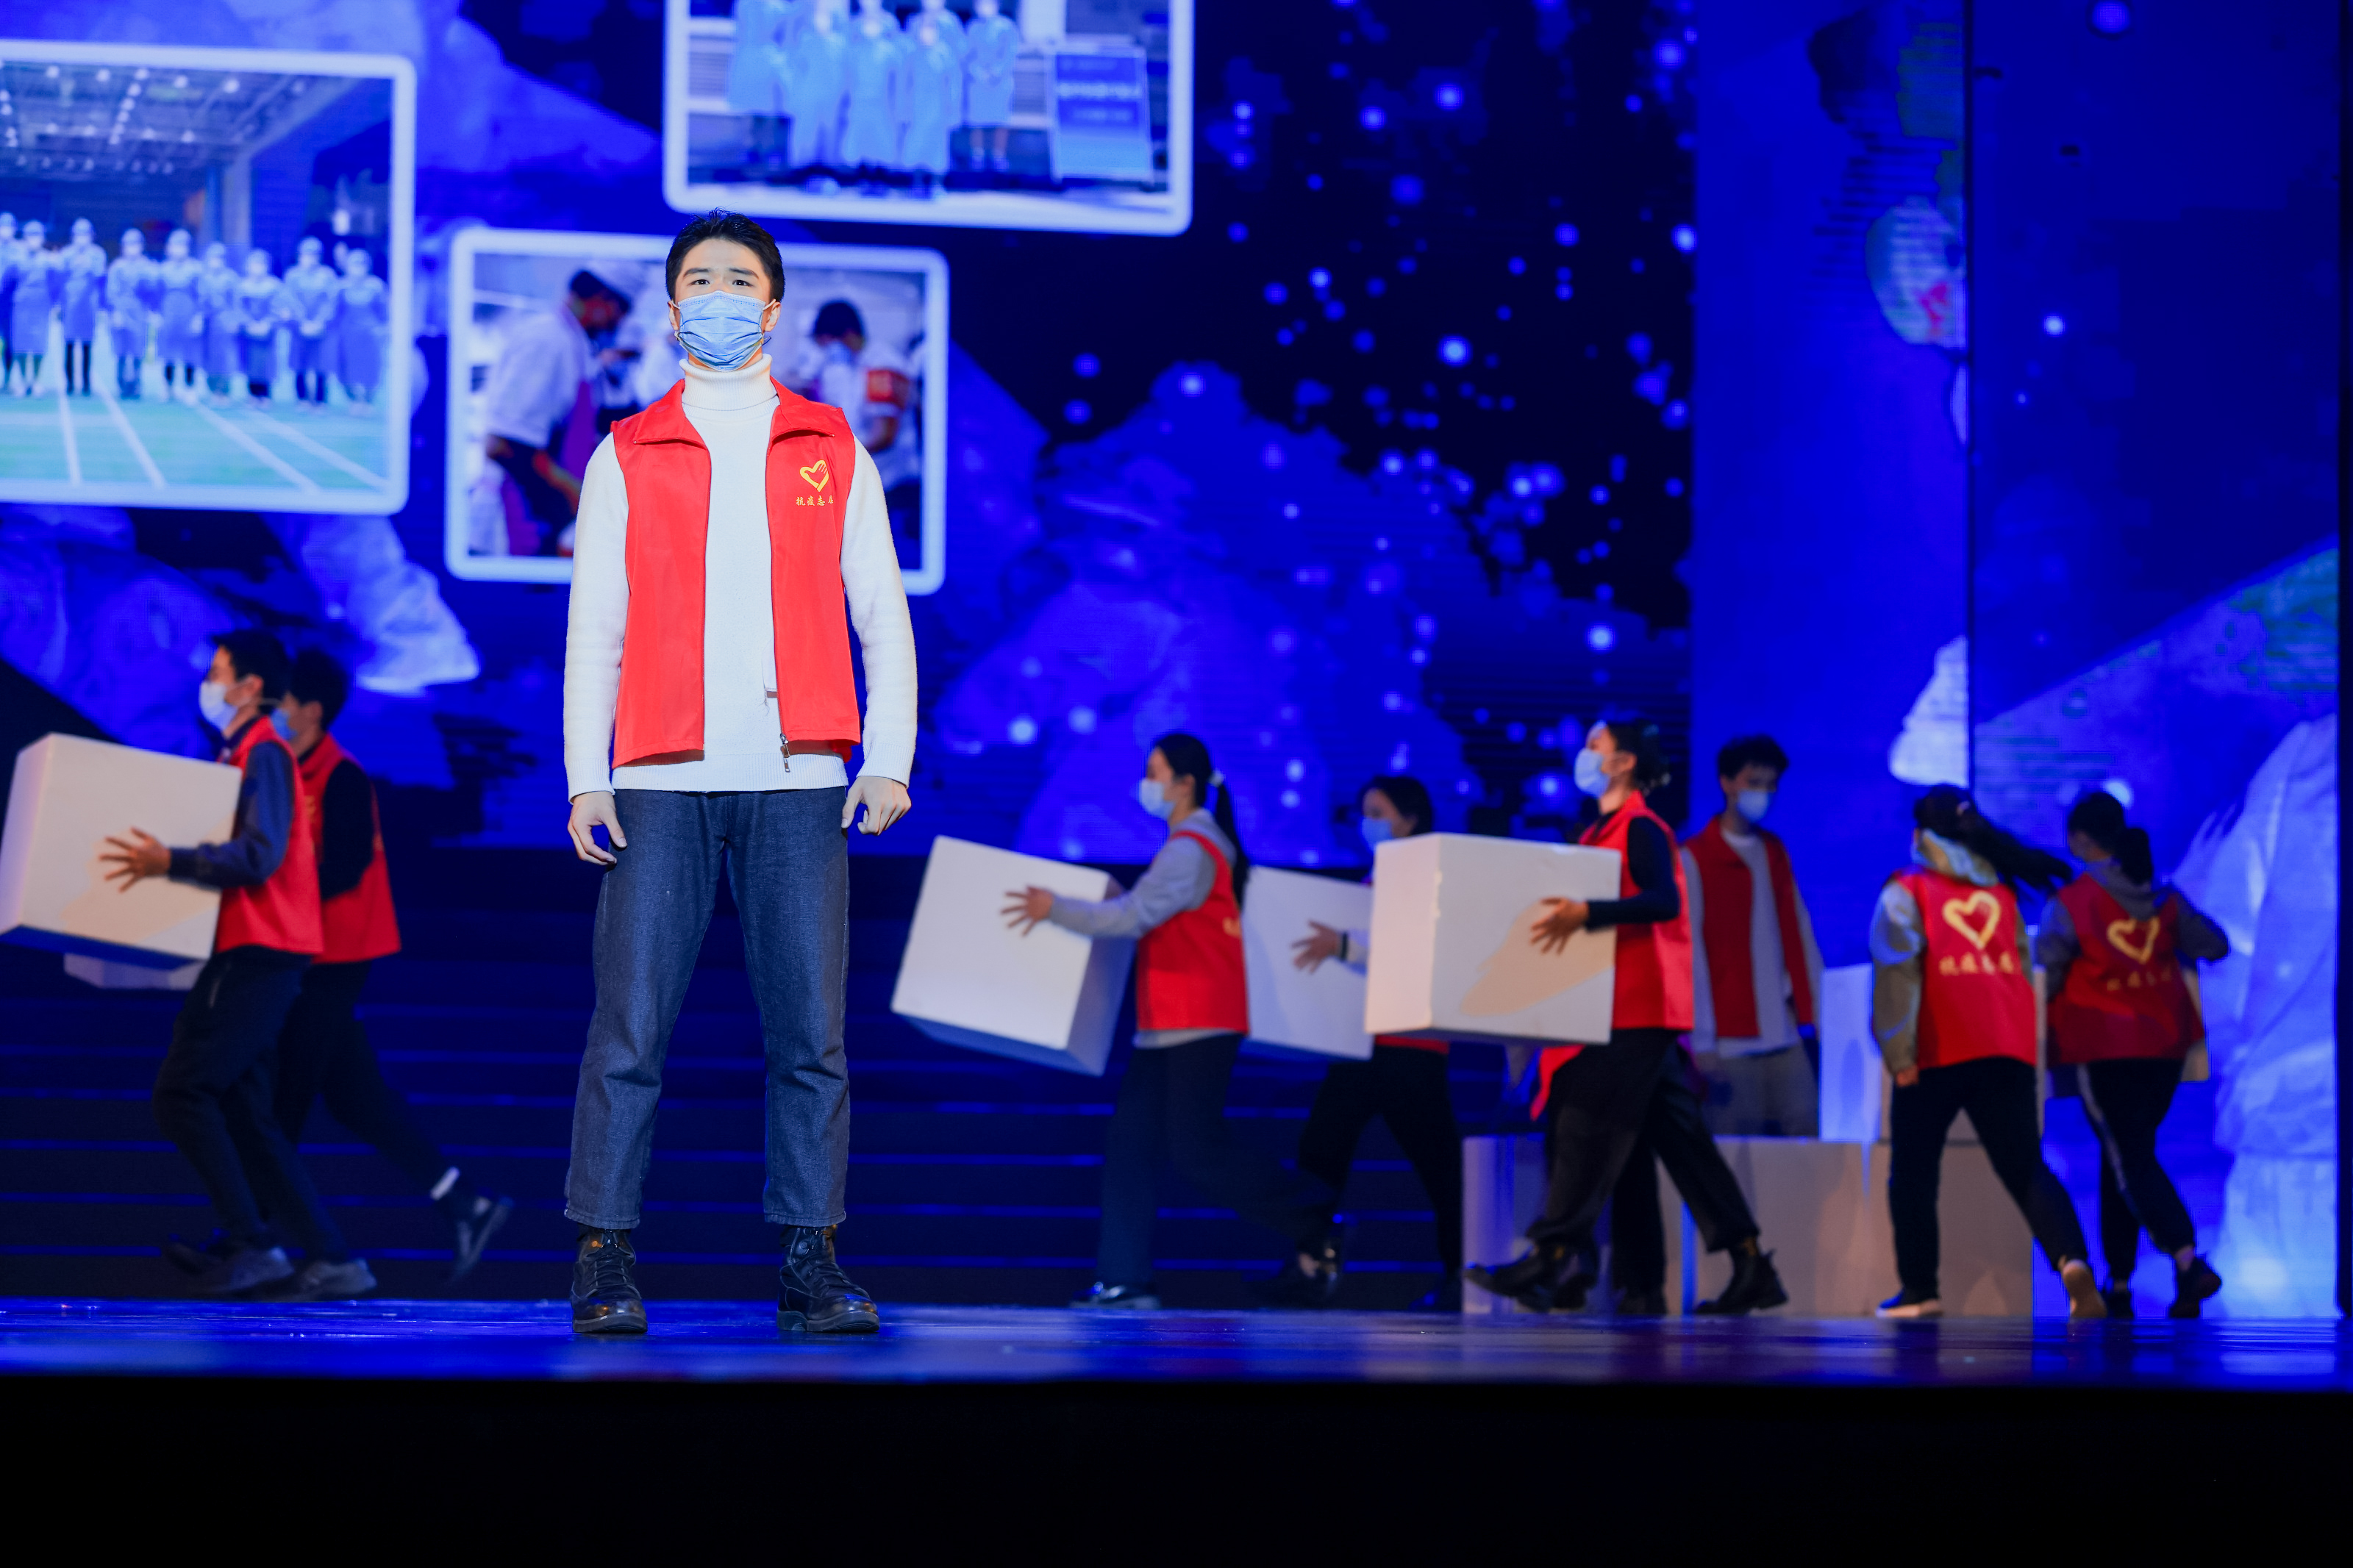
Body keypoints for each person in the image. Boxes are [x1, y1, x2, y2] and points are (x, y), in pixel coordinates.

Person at [561, 210, 917, 1336]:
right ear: (675, 309)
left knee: (811, 1035)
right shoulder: (626, 452)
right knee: (630, 1029)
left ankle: (812, 1257)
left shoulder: (828, 443)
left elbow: (882, 611)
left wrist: (889, 756)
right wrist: (585, 776)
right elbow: (595, 628)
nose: (720, 296)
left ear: (772, 308)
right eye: (701, 280)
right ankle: (604, 1254)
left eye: (740, 280)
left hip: (801, 774)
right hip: (658, 777)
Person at [1009, 734, 1345, 1311]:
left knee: (1198, 1152)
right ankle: (1125, 1278)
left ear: (1186, 783)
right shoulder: (1191, 845)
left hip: (1198, 1021)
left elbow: (1133, 915)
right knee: (1131, 1147)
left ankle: (1314, 1213)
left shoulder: (1191, 848)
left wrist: (1054, 908)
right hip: (1168, 1024)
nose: (1147, 783)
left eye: (1155, 771)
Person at [1463, 720, 1787, 1317]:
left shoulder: (1641, 827)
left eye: (1596, 745)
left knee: (1583, 1123)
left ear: (1624, 762)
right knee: (1681, 1143)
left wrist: (1588, 912)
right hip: (1617, 1005)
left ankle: (1552, 1255)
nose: (1585, 755)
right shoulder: (1599, 832)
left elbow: (1662, 900)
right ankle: (1747, 1263)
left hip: (1636, 1007)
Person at [99, 630, 374, 1303]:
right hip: (255, 946)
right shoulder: (240, 754)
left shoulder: (264, 752)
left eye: (218, 670)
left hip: (261, 947)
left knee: (183, 1090)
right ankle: (326, 1256)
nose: (209, 681)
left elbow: (260, 853)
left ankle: (252, 1241)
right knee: (247, 1111)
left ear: (251, 687)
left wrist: (171, 860)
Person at [267, 649, 515, 1281]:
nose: (273, 710)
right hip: (305, 950)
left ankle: (272, 1242)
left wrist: (270, 888)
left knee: (283, 1104)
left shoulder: (340, 776)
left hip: (332, 956)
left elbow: (345, 868)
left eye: (282, 700)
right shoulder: (290, 772)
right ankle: (465, 1201)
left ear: (310, 710)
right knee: (355, 1097)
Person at [1870, 784, 2106, 1321]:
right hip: (2005, 1047)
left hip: (1939, 1046)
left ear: (1920, 834)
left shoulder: (1908, 889)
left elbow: (1897, 976)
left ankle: (1919, 1290)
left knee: (1914, 1173)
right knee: (2025, 1168)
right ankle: (2072, 1261)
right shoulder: (2000, 893)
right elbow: (2022, 973)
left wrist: (1899, 1054)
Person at [2038, 789, 2229, 1319]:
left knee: (2130, 1158)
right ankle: (2118, 1282)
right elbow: (2215, 944)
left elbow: (2045, 967)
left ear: (2080, 839)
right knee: (2121, 1154)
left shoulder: (2073, 901)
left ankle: (2188, 1260)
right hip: (2165, 1046)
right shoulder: (2163, 897)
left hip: (2105, 1046)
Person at [1288, 775, 1463, 1309]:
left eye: (1378, 812)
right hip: (1362, 1043)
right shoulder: (1373, 880)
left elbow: (1414, 952)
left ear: (1410, 819)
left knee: (1439, 1168)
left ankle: (1462, 1274)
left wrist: (1344, 947)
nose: (1368, 824)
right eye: (1363, 813)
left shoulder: (1426, 878)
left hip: (1412, 1046)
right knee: (1320, 1152)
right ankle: (1310, 1265)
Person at [1682, 734, 1824, 1135]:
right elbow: (1690, 956)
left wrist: (1817, 1012)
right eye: (1754, 782)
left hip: (1783, 1033)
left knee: (1806, 1137)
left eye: (1771, 784)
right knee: (1734, 1150)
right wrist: (1702, 1042)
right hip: (1728, 1041)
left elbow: (1801, 934)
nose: (1763, 793)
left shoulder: (1774, 851)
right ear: (1727, 783)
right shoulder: (1695, 858)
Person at [482, 269, 624, 554]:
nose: (618, 323)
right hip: (519, 521)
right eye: (621, 312)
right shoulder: (546, 340)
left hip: (549, 523)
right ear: (602, 301)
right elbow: (504, 444)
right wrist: (577, 497)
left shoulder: (574, 342)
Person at [727, 0, 795, 171]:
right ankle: (753, 149)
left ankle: (770, 150)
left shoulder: (780, 9)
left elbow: (786, 38)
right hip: (751, 59)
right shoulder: (745, 5)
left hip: (771, 61)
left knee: (772, 110)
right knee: (753, 110)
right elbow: (740, 31)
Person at [784, 0, 850, 171]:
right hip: (808, 91)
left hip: (832, 91)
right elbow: (794, 67)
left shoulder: (840, 41)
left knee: (830, 129)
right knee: (806, 130)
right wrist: (794, 92)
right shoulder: (803, 37)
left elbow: (845, 69)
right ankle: (803, 167)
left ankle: (829, 167)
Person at [840, 0, 905, 173]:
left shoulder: (890, 23)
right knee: (859, 133)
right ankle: (861, 171)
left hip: (883, 94)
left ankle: (880, 172)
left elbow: (897, 60)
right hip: (859, 92)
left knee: (882, 134)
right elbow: (847, 61)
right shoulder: (854, 25)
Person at [898, 13, 963, 185]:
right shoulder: (912, 54)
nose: (927, 34)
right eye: (924, 30)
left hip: (938, 109)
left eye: (931, 30)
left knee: (937, 147)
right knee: (916, 144)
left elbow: (953, 84)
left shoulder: (945, 54)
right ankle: (916, 182)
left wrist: (953, 111)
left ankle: (936, 183)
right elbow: (904, 84)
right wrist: (903, 110)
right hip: (916, 108)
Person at [282, 236, 339, 407]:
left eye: (313, 255)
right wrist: (302, 322)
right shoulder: (292, 275)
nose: (309, 259)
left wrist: (319, 322)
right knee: (299, 362)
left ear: (319, 257)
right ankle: (302, 398)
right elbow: (290, 299)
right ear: (299, 256)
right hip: (299, 329)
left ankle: (321, 399)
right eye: (306, 255)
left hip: (321, 329)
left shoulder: (327, 275)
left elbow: (331, 301)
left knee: (321, 363)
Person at [963, 0, 1019, 173]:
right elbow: (966, 54)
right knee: (976, 116)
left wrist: (996, 72)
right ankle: (977, 154)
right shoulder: (973, 27)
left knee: (1001, 118)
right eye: (981, 4)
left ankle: (999, 155)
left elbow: (1010, 53)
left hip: (1000, 81)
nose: (984, 8)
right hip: (977, 80)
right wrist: (977, 72)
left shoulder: (1007, 26)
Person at [104, 228, 157, 399]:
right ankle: (121, 384)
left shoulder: (147, 267)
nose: (131, 249)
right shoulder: (117, 267)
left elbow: (152, 291)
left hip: (139, 312)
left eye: (135, 245)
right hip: (122, 310)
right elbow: (111, 292)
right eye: (128, 245)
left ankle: (136, 384)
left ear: (141, 247)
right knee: (121, 350)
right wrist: (116, 313)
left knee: (137, 349)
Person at [332, 246, 388, 407]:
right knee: (346, 368)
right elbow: (335, 312)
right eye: (354, 265)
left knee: (370, 368)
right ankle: (353, 399)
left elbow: (384, 312)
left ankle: (368, 399)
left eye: (361, 265)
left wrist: (383, 330)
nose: (358, 269)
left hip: (370, 334)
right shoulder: (341, 286)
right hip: (347, 334)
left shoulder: (376, 286)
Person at [154, 229, 205, 399]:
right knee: (167, 351)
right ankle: (167, 387)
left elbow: (201, 295)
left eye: (182, 246)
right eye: (175, 246)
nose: (178, 250)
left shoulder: (195, 269)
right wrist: (157, 315)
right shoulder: (163, 269)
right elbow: (157, 295)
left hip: (188, 315)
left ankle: (189, 387)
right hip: (168, 314)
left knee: (190, 352)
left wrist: (198, 317)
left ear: (188, 248)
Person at [59, 218, 105, 396]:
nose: (81, 239)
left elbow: (100, 278)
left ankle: (86, 383)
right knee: (69, 344)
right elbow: (61, 278)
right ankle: (70, 383)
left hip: (89, 305)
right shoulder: (66, 254)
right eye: (78, 235)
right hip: (70, 304)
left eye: (85, 235)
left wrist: (88, 264)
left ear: (91, 236)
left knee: (87, 345)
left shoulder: (98, 254)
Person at [8, 219, 54, 396]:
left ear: (43, 238)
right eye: (30, 236)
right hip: (21, 305)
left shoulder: (49, 260)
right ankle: (22, 381)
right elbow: (8, 283)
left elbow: (55, 284)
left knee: (38, 344)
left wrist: (54, 304)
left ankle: (36, 381)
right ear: (24, 238)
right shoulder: (16, 259)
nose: (33, 240)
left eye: (37, 236)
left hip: (41, 305)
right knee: (20, 344)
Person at [235, 248, 285, 403]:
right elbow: (238, 308)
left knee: (266, 363)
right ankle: (252, 393)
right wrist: (248, 323)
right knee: (250, 362)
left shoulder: (274, 286)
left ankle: (265, 393)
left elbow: (278, 308)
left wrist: (267, 324)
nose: (258, 268)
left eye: (261, 265)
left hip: (267, 333)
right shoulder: (242, 286)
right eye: (254, 264)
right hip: (248, 332)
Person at [199, 240, 240, 400]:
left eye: (218, 258)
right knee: (209, 357)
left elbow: (236, 301)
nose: (215, 262)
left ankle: (224, 390)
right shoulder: (204, 277)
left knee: (225, 357)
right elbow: (200, 300)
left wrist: (234, 320)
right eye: (212, 258)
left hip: (224, 321)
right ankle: (212, 389)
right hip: (208, 323)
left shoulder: (230, 278)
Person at [0, 212, 21, 390]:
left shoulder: (19, 250)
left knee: (9, 339)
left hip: (10, 301)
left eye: (8, 227)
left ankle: (7, 377)